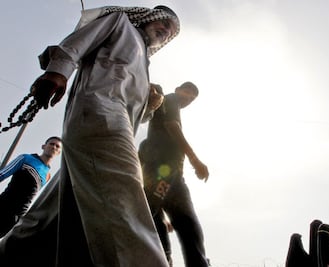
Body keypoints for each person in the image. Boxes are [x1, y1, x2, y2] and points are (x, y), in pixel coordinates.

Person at [29, 5, 180, 267]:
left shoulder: (144, 60)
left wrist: (150, 105)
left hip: (113, 128)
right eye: (164, 22)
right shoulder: (120, 23)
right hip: (99, 114)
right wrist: (57, 71)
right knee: (122, 198)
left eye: (171, 31)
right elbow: (79, 42)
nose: (166, 31)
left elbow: (136, 113)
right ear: (148, 17)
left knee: (49, 218)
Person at [139, 81, 210, 267]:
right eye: (187, 93)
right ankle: (164, 260)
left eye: (192, 98)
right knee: (152, 218)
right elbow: (172, 126)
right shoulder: (171, 99)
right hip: (165, 172)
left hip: (175, 176)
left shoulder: (153, 131)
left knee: (189, 227)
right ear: (178, 90)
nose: (188, 99)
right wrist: (194, 159)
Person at [0, 136, 61, 237]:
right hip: (4, 205)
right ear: (43, 146)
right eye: (51, 144)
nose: (54, 147)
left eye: (57, 146)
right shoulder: (26, 158)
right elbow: (2, 174)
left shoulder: (47, 176)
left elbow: (32, 197)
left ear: (59, 152)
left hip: (16, 217)